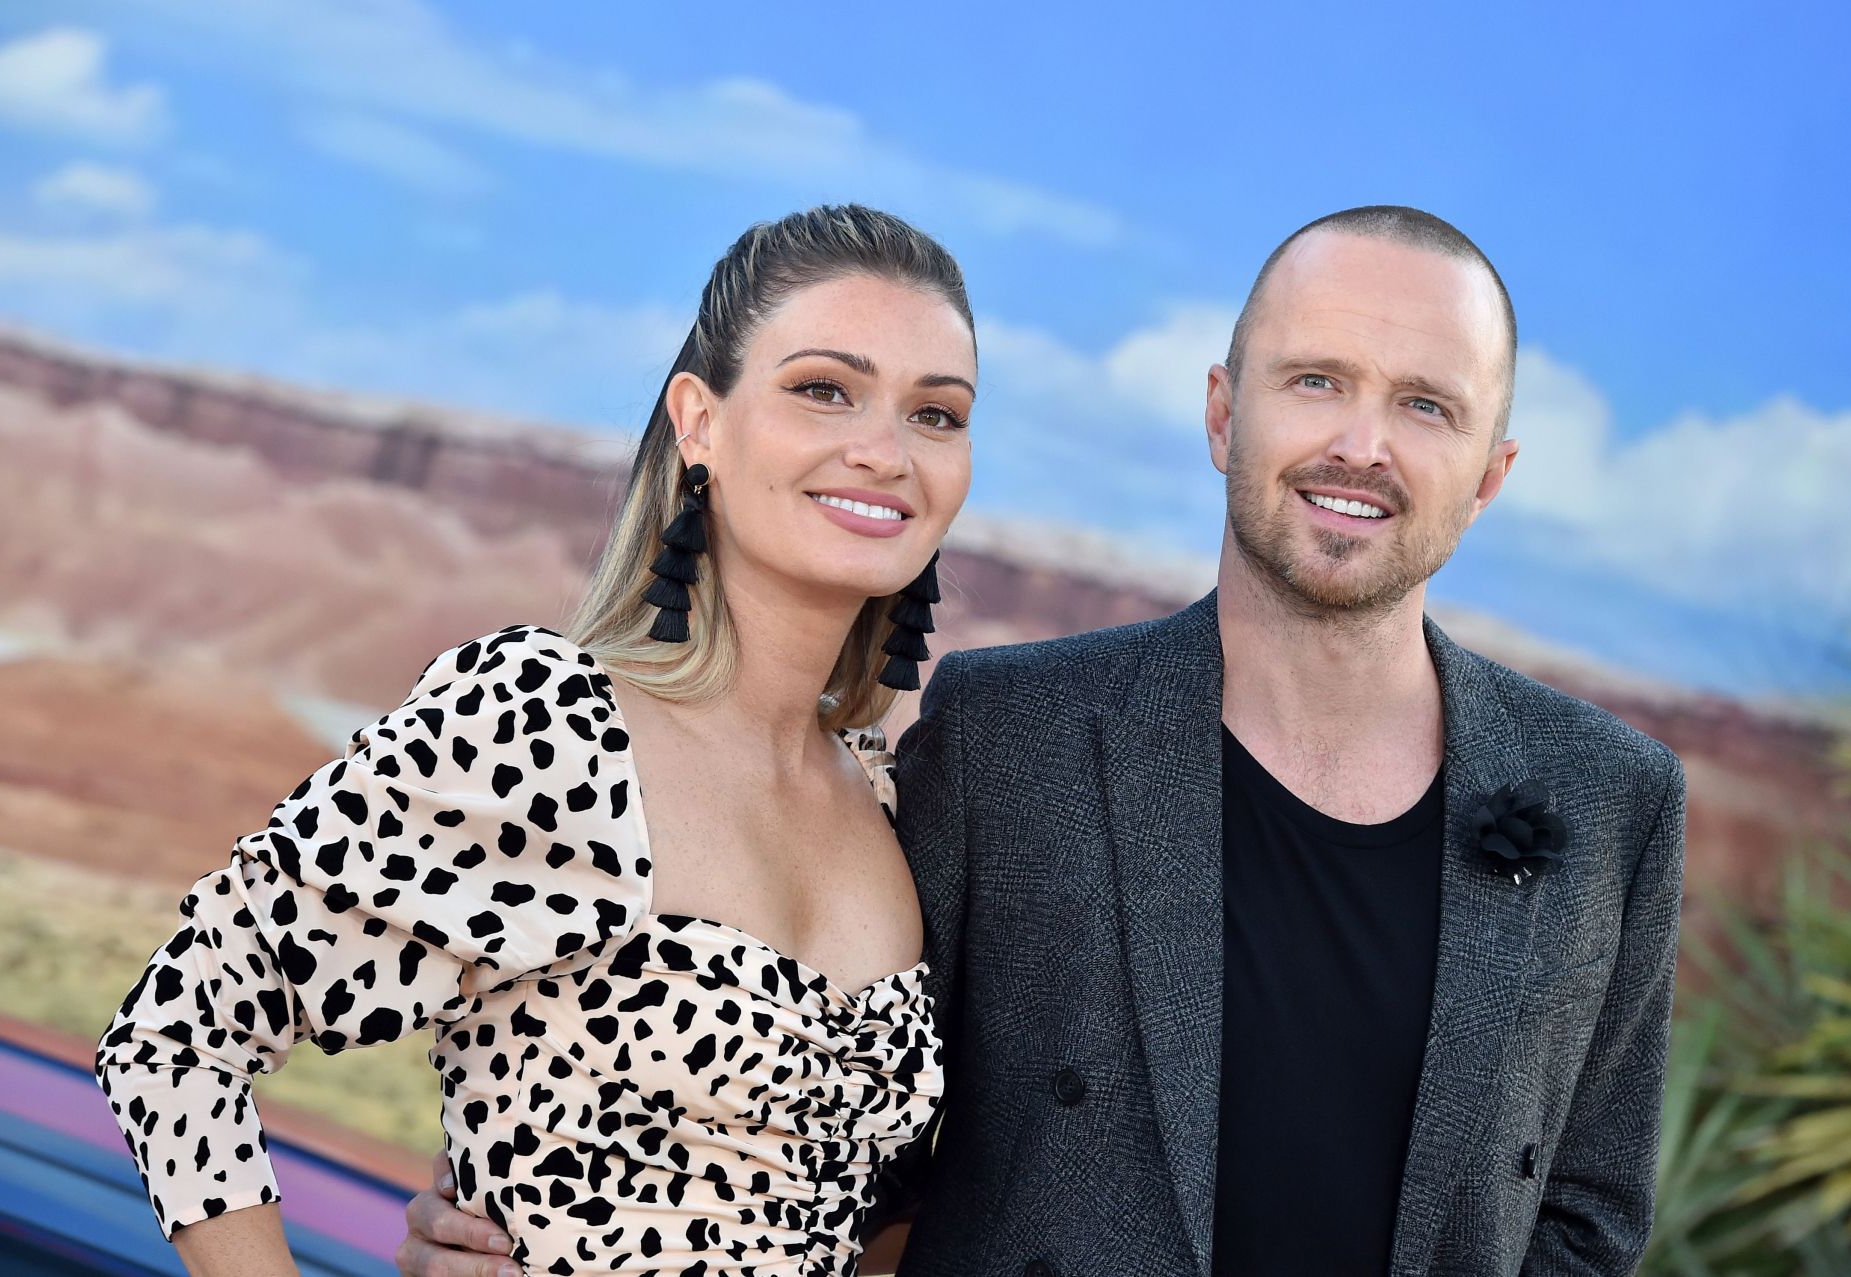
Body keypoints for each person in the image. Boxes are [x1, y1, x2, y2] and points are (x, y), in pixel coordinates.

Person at [404, 204, 1688, 1277]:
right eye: (1318, 380)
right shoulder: (1009, 734)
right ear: (1220, 412)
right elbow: (840, 1142)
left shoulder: (1609, 800)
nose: (1361, 443)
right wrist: (558, 1239)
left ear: (1492, 470)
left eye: (1426, 404)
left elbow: (1587, 1216)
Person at [94, 203, 980, 1276]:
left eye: (936, 414)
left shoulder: (898, 806)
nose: (883, 450)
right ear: (699, 420)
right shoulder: (548, 724)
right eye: (823, 390)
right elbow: (174, 1039)